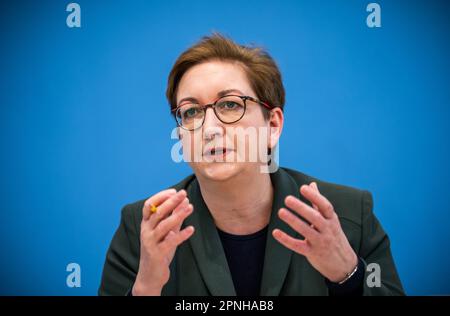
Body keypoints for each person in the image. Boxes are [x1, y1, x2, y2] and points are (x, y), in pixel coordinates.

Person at [98, 33, 404, 296]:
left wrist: (348, 276)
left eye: (230, 104)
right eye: (191, 112)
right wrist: (146, 287)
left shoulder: (349, 215)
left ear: (272, 125)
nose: (209, 127)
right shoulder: (141, 227)